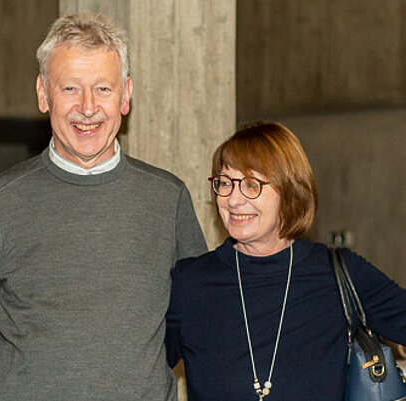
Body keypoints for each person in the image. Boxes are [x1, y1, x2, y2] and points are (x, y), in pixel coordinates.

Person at [0, 13, 207, 401]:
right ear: (43, 94)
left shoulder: (168, 199)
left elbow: (202, 328)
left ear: (126, 95)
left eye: (102, 88)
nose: (87, 107)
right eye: (69, 89)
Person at [165, 121, 406, 400]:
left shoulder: (338, 273)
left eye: (252, 184)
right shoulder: (190, 283)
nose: (233, 200)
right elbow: (139, 369)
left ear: (290, 190)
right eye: (225, 183)